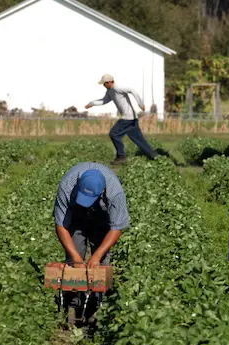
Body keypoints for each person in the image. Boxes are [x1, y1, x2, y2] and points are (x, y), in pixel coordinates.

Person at [53, 162, 129, 324]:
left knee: (100, 264)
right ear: (78, 184)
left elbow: (116, 228)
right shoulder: (67, 185)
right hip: (76, 218)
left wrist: (96, 256)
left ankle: (96, 305)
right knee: (74, 261)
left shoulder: (115, 193)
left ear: (102, 191)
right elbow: (61, 225)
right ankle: (73, 303)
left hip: (102, 219)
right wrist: (76, 258)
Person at [85, 74, 158, 164]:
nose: (104, 86)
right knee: (138, 139)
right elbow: (104, 101)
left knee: (114, 133)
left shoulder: (117, 88)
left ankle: (121, 157)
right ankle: (154, 156)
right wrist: (91, 103)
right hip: (132, 118)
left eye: (104, 84)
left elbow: (132, 90)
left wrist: (140, 104)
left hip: (127, 118)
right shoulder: (110, 91)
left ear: (109, 82)